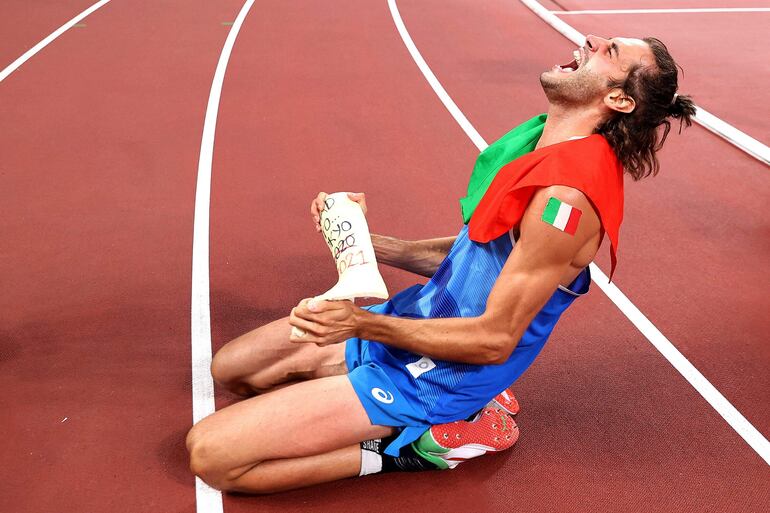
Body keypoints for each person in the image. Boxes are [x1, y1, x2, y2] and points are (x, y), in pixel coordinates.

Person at [186, 35, 696, 493]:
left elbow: (495, 340)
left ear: (619, 100)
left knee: (213, 457)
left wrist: (363, 323)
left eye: (611, 52)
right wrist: (358, 239)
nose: (593, 40)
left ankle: (411, 449)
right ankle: (371, 405)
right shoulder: (537, 146)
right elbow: (468, 257)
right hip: (412, 323)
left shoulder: (567, 197)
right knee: (232, 370)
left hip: (439, 374)